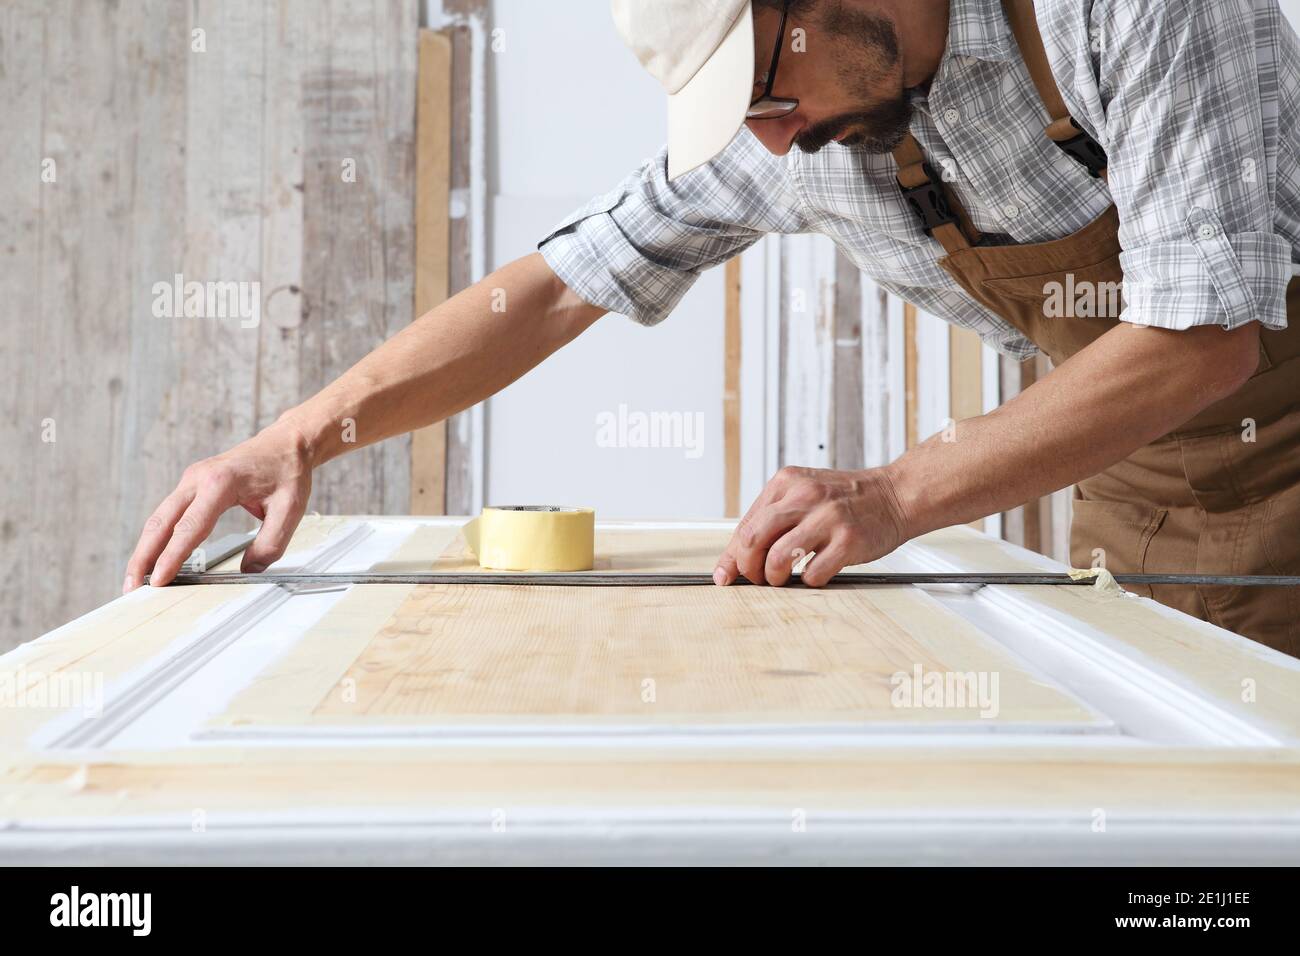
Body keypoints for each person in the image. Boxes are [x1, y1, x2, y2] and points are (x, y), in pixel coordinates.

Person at [126, 0, 1300, 656]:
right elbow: (548, 288)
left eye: (771, 99)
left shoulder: (1135, 11)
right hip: (1147, 489)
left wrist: (891, 495)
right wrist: (297, 437)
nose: (773, 144)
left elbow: (1205, 337)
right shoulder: (803, 146)